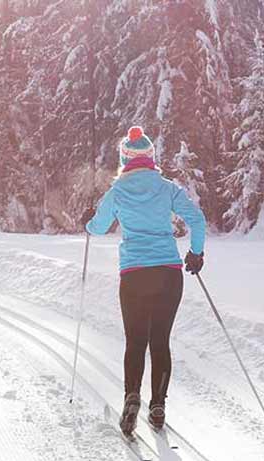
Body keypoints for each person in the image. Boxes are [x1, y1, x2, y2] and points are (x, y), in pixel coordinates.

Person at [81, 126, 206, 436]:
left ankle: (132, 397)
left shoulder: (118, 191)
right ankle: (158, 405)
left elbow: (97, 228)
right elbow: (197, 219)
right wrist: (196, 253)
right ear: (151, 157)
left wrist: (89, 219)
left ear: (125, 157)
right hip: (168, 273)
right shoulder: (167, 188)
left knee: (136, 341)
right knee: (160, 341)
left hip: (135, 274)